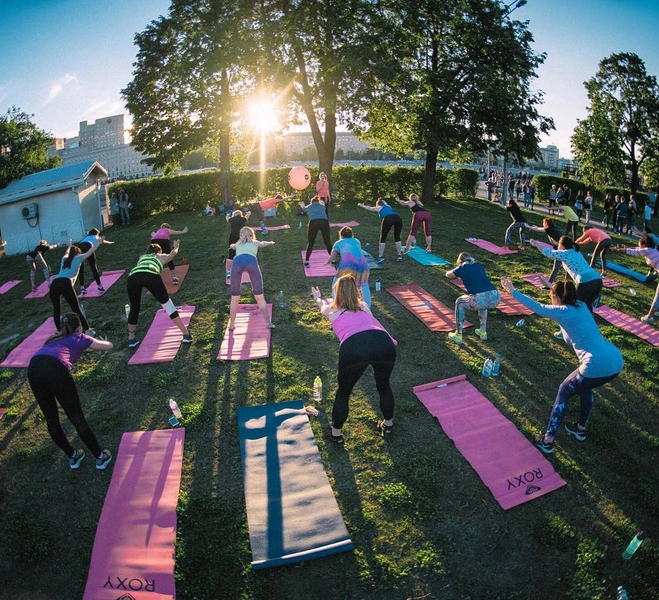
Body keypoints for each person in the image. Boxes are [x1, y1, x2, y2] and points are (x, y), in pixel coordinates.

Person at [500, 277, 623, 454]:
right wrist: (552, 287)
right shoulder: (580, 305)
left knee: (564, 390)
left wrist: (512, 291)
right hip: (615, 360)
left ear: (557, 298)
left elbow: (537, 307)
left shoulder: (562, 311)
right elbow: (565, 296)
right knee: (585, 388)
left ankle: (547, 440)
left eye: (552, 295)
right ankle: (580, 429)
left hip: (596, 363)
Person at [312, 275, 397, 444]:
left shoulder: (332, 311)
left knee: (344, 392)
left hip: (354, 347)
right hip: (382, 343)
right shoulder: (364, 307)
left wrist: (318, 298)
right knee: (383, 385)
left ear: (336, 293)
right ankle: (388, 425)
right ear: (356, 292)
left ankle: (336, 434)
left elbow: (322, 305)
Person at [27, 312, 114, 470]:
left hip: (33, 368)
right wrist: (98, 341)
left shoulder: (53, 339)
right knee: (76, 416)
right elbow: (109, 346)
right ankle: (100, 457)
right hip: (55, 370)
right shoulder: (80, 338)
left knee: (51, 419)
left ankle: (73, 456)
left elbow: (66, 349)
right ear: (79, 327)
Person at [126, 240, 193, 348]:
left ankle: (131, 339)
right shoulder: (160, 256)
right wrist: (176, 247)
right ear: (159, 251)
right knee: (167, 304)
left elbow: (142, 269)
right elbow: (172, 254)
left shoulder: (142, 257)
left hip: (133, 276)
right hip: (151, 275)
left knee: (134, 308)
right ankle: (186, 334)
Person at [529, 236, 603, 314]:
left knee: (576, 304)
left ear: (562, 246)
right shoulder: (576, 251)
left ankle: (576, 320)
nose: (558, 247)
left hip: (585, 281)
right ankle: (588, 320)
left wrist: (536, 244)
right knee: (587, 303)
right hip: (597, 279)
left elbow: (548, 253)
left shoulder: (565, 253)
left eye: (559, 245)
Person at [445, 252, 501, 343]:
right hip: (496, 297)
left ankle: (458, 334)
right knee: (483, 305)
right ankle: (483, 332)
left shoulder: (462, 268)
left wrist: (457, 269)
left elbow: (449, 275)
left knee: (459, 302)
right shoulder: (479, 266)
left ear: (460, 261)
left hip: (480, 298)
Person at [227, 227, 276, 331]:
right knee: (259, 296)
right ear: (252, 235)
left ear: (241, 235)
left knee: (235, 297)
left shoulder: (238, 243)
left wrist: (232, 246)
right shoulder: (255, 242)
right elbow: (263, 243)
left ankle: (232, 324)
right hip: (251, 261)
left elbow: (232, 246)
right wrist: (271, 242)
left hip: (237, 262)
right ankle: (268, 323)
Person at [49, 239, 101, 334]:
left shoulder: (64, 259)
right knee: (76, 308)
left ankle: (60, 332)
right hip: (65, 283)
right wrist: (99, 242)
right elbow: (90, 251)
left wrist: (69, 246)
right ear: (78, 253)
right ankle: (88, 330)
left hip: (54, 284)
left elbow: (66, 252)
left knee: (57, 310)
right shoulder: (78, 258)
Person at [611, 236, 659, 324]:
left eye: (641, 245)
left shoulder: (648, 250)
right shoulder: (652, 250)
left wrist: (617, 250)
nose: (639, 247)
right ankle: (655, 312)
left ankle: (649, 317)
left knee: (658, 296)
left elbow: (634, 252)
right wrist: (625, 247)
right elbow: (636, 249)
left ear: (644, 244)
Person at [327, 226, 371, 307]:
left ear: (341, 235)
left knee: (336, 282)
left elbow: (332, 257)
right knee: (364, 284)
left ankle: (335, 302)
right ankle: (367, 306)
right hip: (363, 265)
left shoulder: (338, 243)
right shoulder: (357, 241)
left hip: (347, 266)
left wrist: (326, 263)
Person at [357, 198, 403, 263]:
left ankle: (380, 256)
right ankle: (399, 256)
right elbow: (385, 202)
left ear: (378, 204)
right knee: (397, 237)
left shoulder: (379, 207)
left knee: (383, 237)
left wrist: (361, 205)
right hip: (398, 218)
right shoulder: (388, 206)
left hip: (388, 218)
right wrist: (381, 200)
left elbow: (369, 208)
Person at [77, 228, 114, 294]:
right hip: (88, 246)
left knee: (81, 269)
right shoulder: (96, 237)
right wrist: (110, 242)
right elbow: (103, 241)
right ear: (97, 233)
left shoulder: (86, 237)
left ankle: (82, 287)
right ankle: (99, 286)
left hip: (79, 247)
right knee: (93, 267)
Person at [302, 196, 332, 267]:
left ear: (311, 202)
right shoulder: (322, 206)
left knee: (311, 242)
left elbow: (303, 210)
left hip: (313, 222)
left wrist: (302, 205)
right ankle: (332, 259)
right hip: (324, 222)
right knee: (327, 241)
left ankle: (306, 261)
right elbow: (324, 205)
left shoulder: (309, 206)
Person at [225, 208, 251, 277]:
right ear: (240, 214)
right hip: (241, 236)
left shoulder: (232, 219)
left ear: (234, 215)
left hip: (233, 235)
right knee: (243, 249)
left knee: (231, 250)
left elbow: (227, 219)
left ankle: (228, 271)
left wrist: (227, 215)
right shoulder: (243, 219)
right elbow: (246, 217)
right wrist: (248, 213)